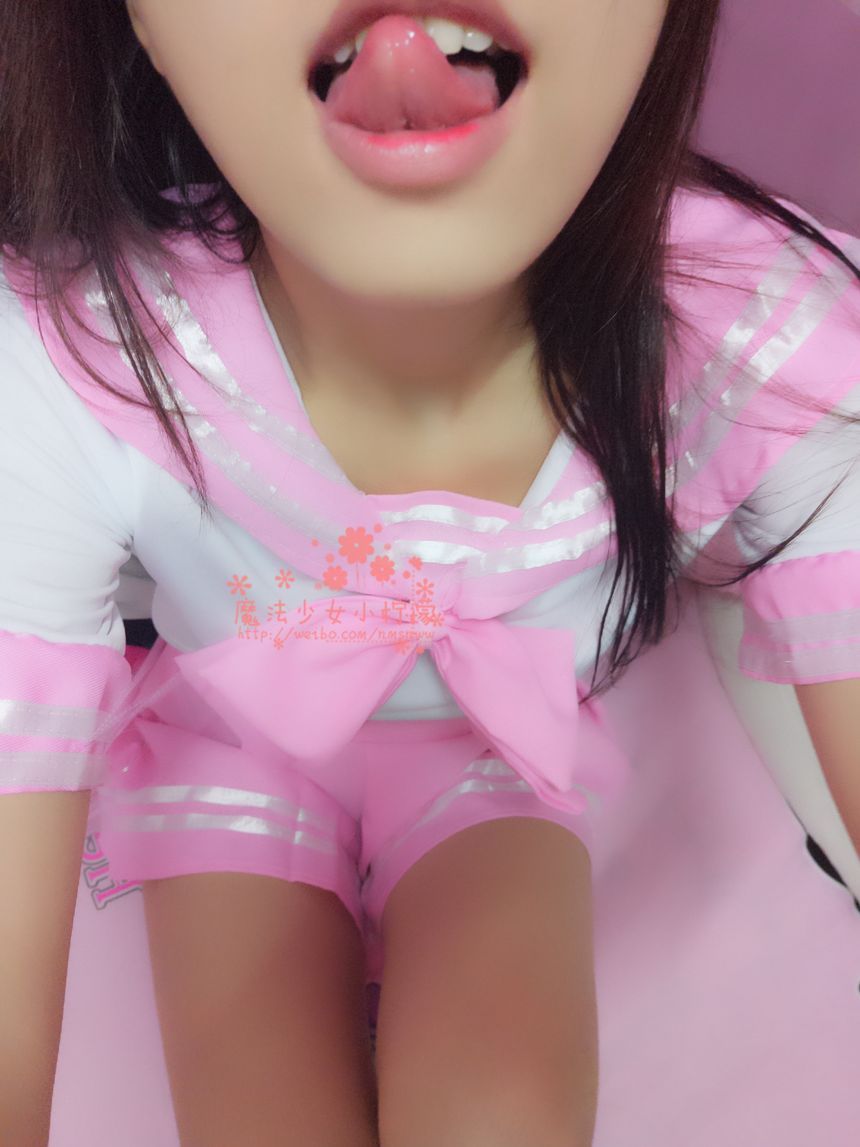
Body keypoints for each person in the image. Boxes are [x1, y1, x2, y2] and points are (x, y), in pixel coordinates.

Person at [0, 2, 858, 1145]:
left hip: (495, 753)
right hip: (234, 749)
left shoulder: (766, 336)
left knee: (502, 1106)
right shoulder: (81, 359)